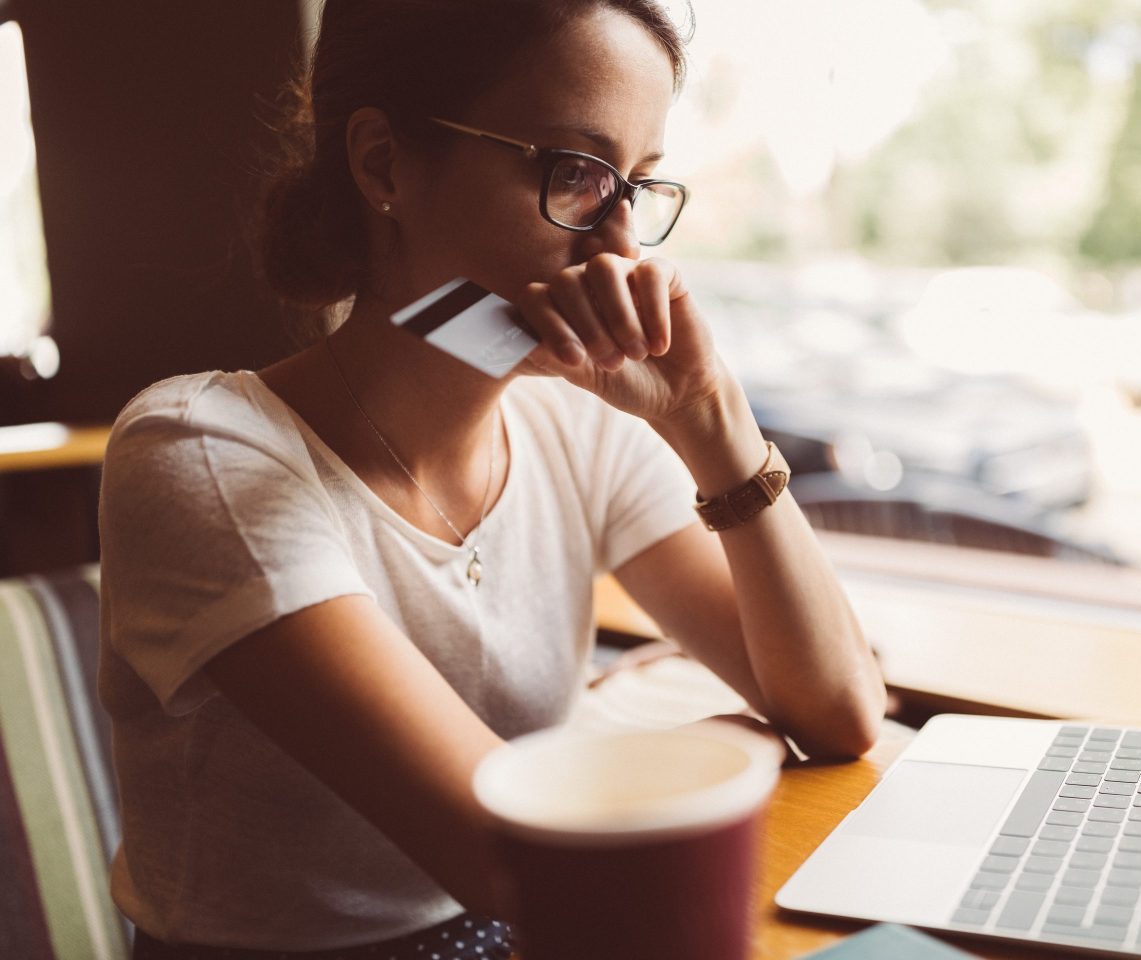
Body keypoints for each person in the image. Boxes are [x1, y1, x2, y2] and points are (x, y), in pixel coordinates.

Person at [97, 1, 888, 957]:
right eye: (576, 173)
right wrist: (733, 748)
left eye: (638, 185)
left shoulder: (574, 424)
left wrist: (707, 417)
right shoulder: (204, 457)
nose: (623, 249)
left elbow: (841, 711)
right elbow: (523, 864)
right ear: (384, 163)